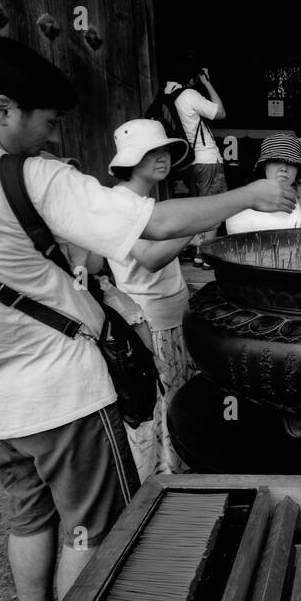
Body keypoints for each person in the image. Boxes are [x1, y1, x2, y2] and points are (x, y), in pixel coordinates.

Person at [0, 38, 295, 601]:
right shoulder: (23, 175)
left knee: (29, 516)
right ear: (3, 110)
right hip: (64, 395)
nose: (51, 139)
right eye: (46, 123)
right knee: (96, 528)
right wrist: (250, 196)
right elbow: (151, 225)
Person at [104, 119, 196, 480]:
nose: (163, 158)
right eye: (152, 151)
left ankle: (178, 469)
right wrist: (192, 228)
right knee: (159, 406)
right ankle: (160, 482)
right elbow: (150, 257)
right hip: (149, 325)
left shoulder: (147, 201)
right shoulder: (118, 203)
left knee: (177, 401)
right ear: (131, 158)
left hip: (175, 316)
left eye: (165, 151)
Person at [165, 61, 227, 268]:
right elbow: (220, 113)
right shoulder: (188, 95)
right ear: (190, 78)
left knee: (197, 208)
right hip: (206, 159)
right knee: (214, 207)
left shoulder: (166, 95)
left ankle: (198, 251)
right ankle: (205, 254)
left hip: (187, 162)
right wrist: (207, 83)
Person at [225, 133, 301, 234]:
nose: (284, 169)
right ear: (264, 166)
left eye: (291, 163)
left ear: (297, 169)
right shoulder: (240, 211)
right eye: (276, 161)